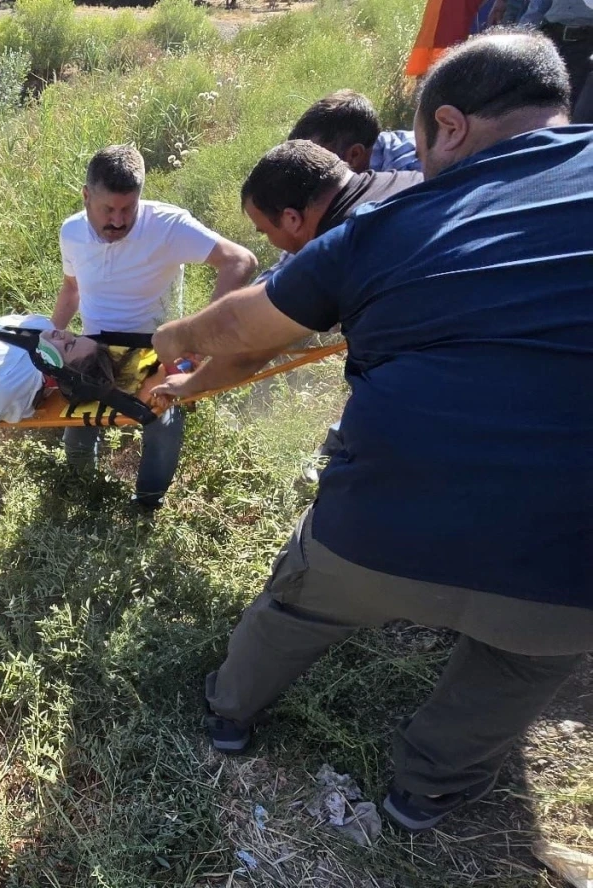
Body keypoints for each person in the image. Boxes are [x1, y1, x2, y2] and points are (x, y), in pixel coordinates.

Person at [150, 32, 593, 832]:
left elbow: (246, 328)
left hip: (385, 519)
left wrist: (175, 338)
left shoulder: (387, 225)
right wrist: (192, 384)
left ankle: (228, 713)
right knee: (521, 664)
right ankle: (425, 791)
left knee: (301, 604)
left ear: (449, 126)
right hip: (570, 561)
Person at [156, 141, 423, 480]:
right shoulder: (410, 181)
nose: (271, 243)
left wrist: (178, 345)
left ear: (292, 218)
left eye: (266, 232)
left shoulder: (340, 245)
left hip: (432, 408)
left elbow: (247, 340)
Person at [52, 144, 257, 511]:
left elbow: (240, 261)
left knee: (162, 424)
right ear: (86, 196)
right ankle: (83, 502)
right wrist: (50, 337)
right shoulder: (71, 231)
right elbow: (71, 289)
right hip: (95, 348)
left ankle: (146, 507)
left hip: (156, 347)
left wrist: (201, 337)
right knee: (78, 431)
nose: (118, 220)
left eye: (127, 209)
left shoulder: (167, 225)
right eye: (108, 209)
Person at [288, 90, 424, 174]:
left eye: (314, 161)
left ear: (354, 155)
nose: (305, 171)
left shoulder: (410, 176)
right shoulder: (367, 148)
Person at [520, 0, 593, 122]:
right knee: (537, 107)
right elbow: (538, 6)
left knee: (575, 115)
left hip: (585, 44)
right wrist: (523, 36)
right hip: (551, 38)